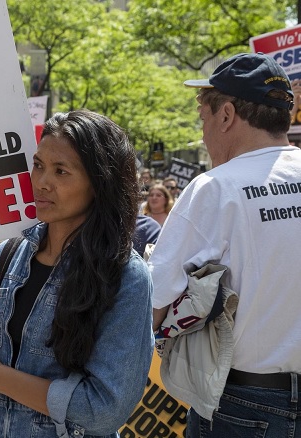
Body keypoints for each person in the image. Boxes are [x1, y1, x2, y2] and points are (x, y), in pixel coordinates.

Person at [0, 109, 153, 437]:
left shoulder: (125, 276)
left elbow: (105, 410)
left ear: (99, 183)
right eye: (38, 165)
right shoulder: (10, 254)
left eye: (61, 171)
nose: (42, 182)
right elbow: (13, 346)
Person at [149, 52, 300, 437]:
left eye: (204, 119)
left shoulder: (215, 188)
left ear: (227, 115)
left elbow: (153, 300)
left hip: (245, 404)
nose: (203, 132)